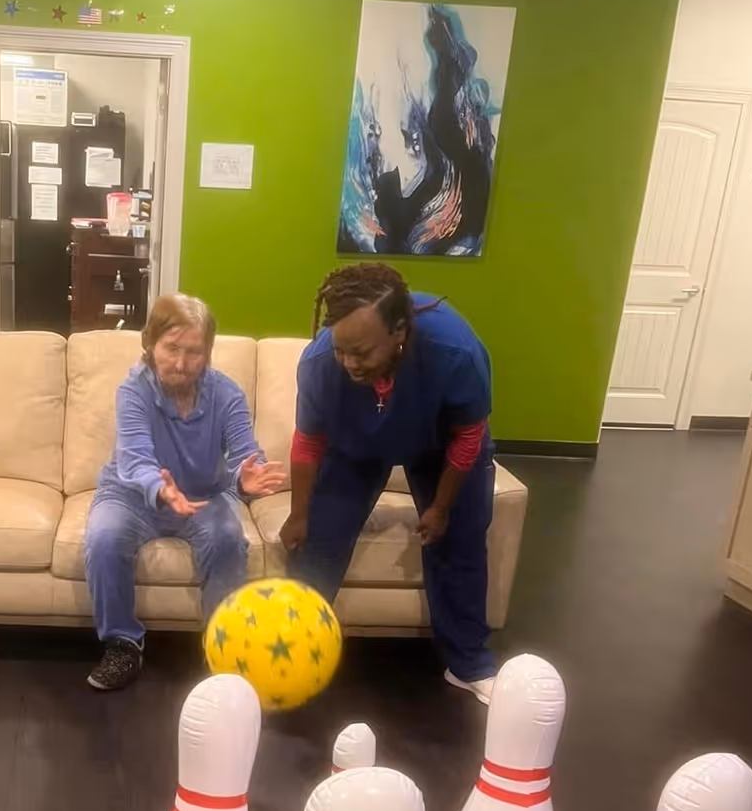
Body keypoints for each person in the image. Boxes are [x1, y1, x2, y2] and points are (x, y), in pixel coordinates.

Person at [282, 262, 497, 703]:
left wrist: (439, 508)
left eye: (361, 352)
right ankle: (293, 655)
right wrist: (299, 514)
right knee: (317, 542)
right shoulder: (322, 363)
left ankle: (468, 664)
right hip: (354, 445)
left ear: (400, 331)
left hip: (441, 443)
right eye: (341, 350)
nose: (348, 363)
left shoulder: (454, 350)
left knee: (459, 539)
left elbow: (469, 433)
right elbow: (308, 441)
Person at [84, 293, 285, 691]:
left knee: (229, 538)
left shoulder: (227, 394)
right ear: (150, 344)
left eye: (194, 352)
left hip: (205, 493)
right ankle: (123, 644)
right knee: (104, 539)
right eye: (171, 348)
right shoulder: (133, 391)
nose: (180, 363)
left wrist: (249, 475)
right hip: (131, 493)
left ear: (208, 353)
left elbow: (246, 449)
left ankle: (221, 647)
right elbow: (136, 457)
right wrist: (161, 489)